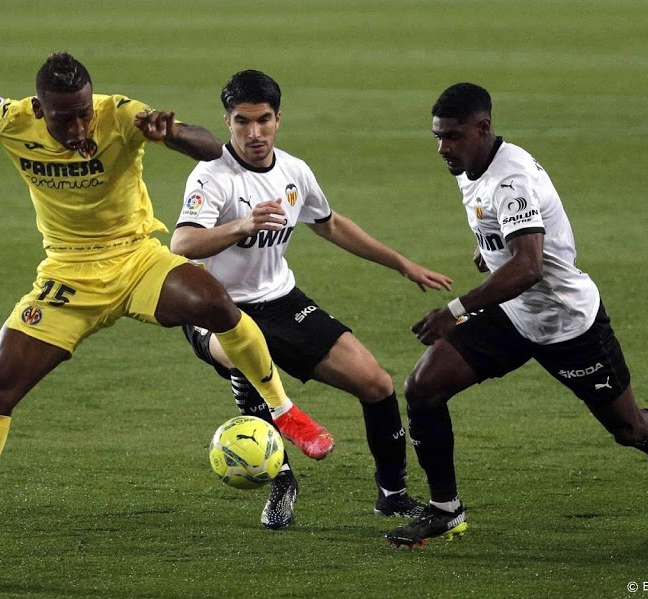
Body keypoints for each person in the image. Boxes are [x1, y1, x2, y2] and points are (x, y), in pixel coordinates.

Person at [0, 52, 334, 568]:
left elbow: (207, 146)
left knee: (214, 302)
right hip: (68, 276)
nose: (81, 124)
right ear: (40, 109)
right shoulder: (11, 119)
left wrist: (168, 132)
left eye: (85, 111)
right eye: (67, 117)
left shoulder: (119, 114)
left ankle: (285, 412)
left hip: (135, 259)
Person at [385, 83, 648, 547]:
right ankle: (445, 510)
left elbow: (530, 267)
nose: (442, 148)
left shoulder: (510, 179)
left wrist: (455, 310)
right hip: (514, 314)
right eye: (438, 136)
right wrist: (489, 248)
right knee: (423, 388)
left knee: (630, 428)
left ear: (483, 128)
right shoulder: (473, 162)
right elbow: (510, 237)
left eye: (451, 136)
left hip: (567, 322)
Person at [170, 70, 454, 530]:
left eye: (263, 120)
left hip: (282, 300)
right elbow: (182, 244)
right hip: (215, 306)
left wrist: (401, 263)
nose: (254, 133)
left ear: (278, 118)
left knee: (377, 384)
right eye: (242, 121)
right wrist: (242, 225)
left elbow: (330, 223)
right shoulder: (212, 177)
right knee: (243, 353)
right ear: (227, 121)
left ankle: (393, 495)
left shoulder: (293, 171)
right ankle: (282, 479)